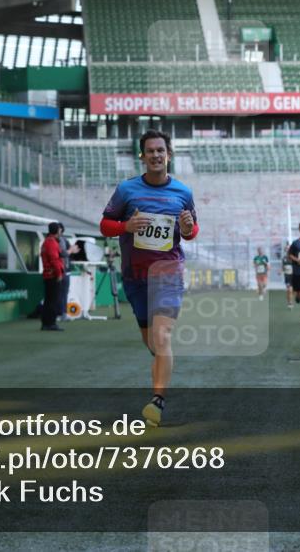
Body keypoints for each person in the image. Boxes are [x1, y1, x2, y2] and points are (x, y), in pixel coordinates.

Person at [100, 130, 198, 427]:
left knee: (162, 337)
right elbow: (105, 225)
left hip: (168, 273)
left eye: (160, 150)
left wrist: (188, 226)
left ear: (169, 155)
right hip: (135, 276)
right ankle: (162, 365)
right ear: (142, 156)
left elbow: (191, 232)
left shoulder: (183, 192)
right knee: (153, 344)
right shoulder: (126, 190)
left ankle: (157, 401)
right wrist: (126, 225)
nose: (156, 155)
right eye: (150, 151)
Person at [39, 223, 64, 332]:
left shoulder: (47, 242)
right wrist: (59, 274)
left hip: (48, 274)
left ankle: (46, 323)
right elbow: (54, 260)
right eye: (59, 230)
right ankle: (51, 323)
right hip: (53, 275)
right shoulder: (52, 243)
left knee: (49, 300)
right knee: (53, 300)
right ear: (57, 230)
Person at [57, 223, 80, 321]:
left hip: (65, 270)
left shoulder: (64, 240)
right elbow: (63, 253)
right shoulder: (54, 241)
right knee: (58, 293)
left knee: (64, 293)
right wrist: (70, 251)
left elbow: (70, 252)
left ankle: (63, 313)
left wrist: (74, 251)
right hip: (58, 270)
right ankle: (59, 313)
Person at [281, 242, 295, 309]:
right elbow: (283, 267)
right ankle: (290, 302)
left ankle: (290, 299)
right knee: (289, 290)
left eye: (289, 248)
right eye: (286, 249)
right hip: (287, 276)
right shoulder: (284, 258)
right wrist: (280, 271)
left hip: (294, 276)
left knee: (292, 290)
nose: (287, 250)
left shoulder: (294, 257)